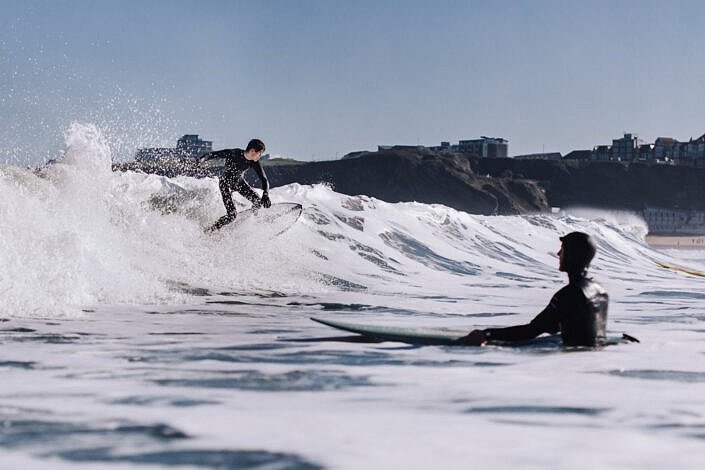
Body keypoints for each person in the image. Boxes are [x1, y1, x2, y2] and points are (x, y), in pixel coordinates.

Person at [461, 231, 608, 347]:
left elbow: (531, 331)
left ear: (571, 254)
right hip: (593, 356)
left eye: (562, 250)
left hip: (573, 361)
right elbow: (577, 324)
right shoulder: (600, 291)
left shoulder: (570, 293)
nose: (558, 254)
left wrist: (486, 334)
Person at [198, 138, 272, 231]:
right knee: (232, 215)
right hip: (225, 184)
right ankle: (210, 230)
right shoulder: (233, 153)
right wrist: (200, 160)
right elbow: (211, 154)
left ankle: (251, 221)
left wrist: (266, 195)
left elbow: (264, 179)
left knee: (258, 202)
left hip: (239, 183)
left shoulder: (254, 162)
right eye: (260, 153)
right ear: (253, 151)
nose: (260, 156)